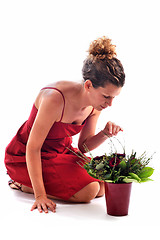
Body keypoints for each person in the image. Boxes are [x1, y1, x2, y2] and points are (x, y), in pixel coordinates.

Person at [4, 36, 125, 213]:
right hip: (27, 155)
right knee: (90, 191)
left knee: (104, 186)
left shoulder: (95, 105)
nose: (110, 104)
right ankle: (22, 184)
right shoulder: (54, 98)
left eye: (114, 97)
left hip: (61, 152)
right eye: (106, 96)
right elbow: (33, 147)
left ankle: (46, 182)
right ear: (89, 85)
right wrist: (40, 196)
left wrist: (105, 133)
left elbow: (83, 147)